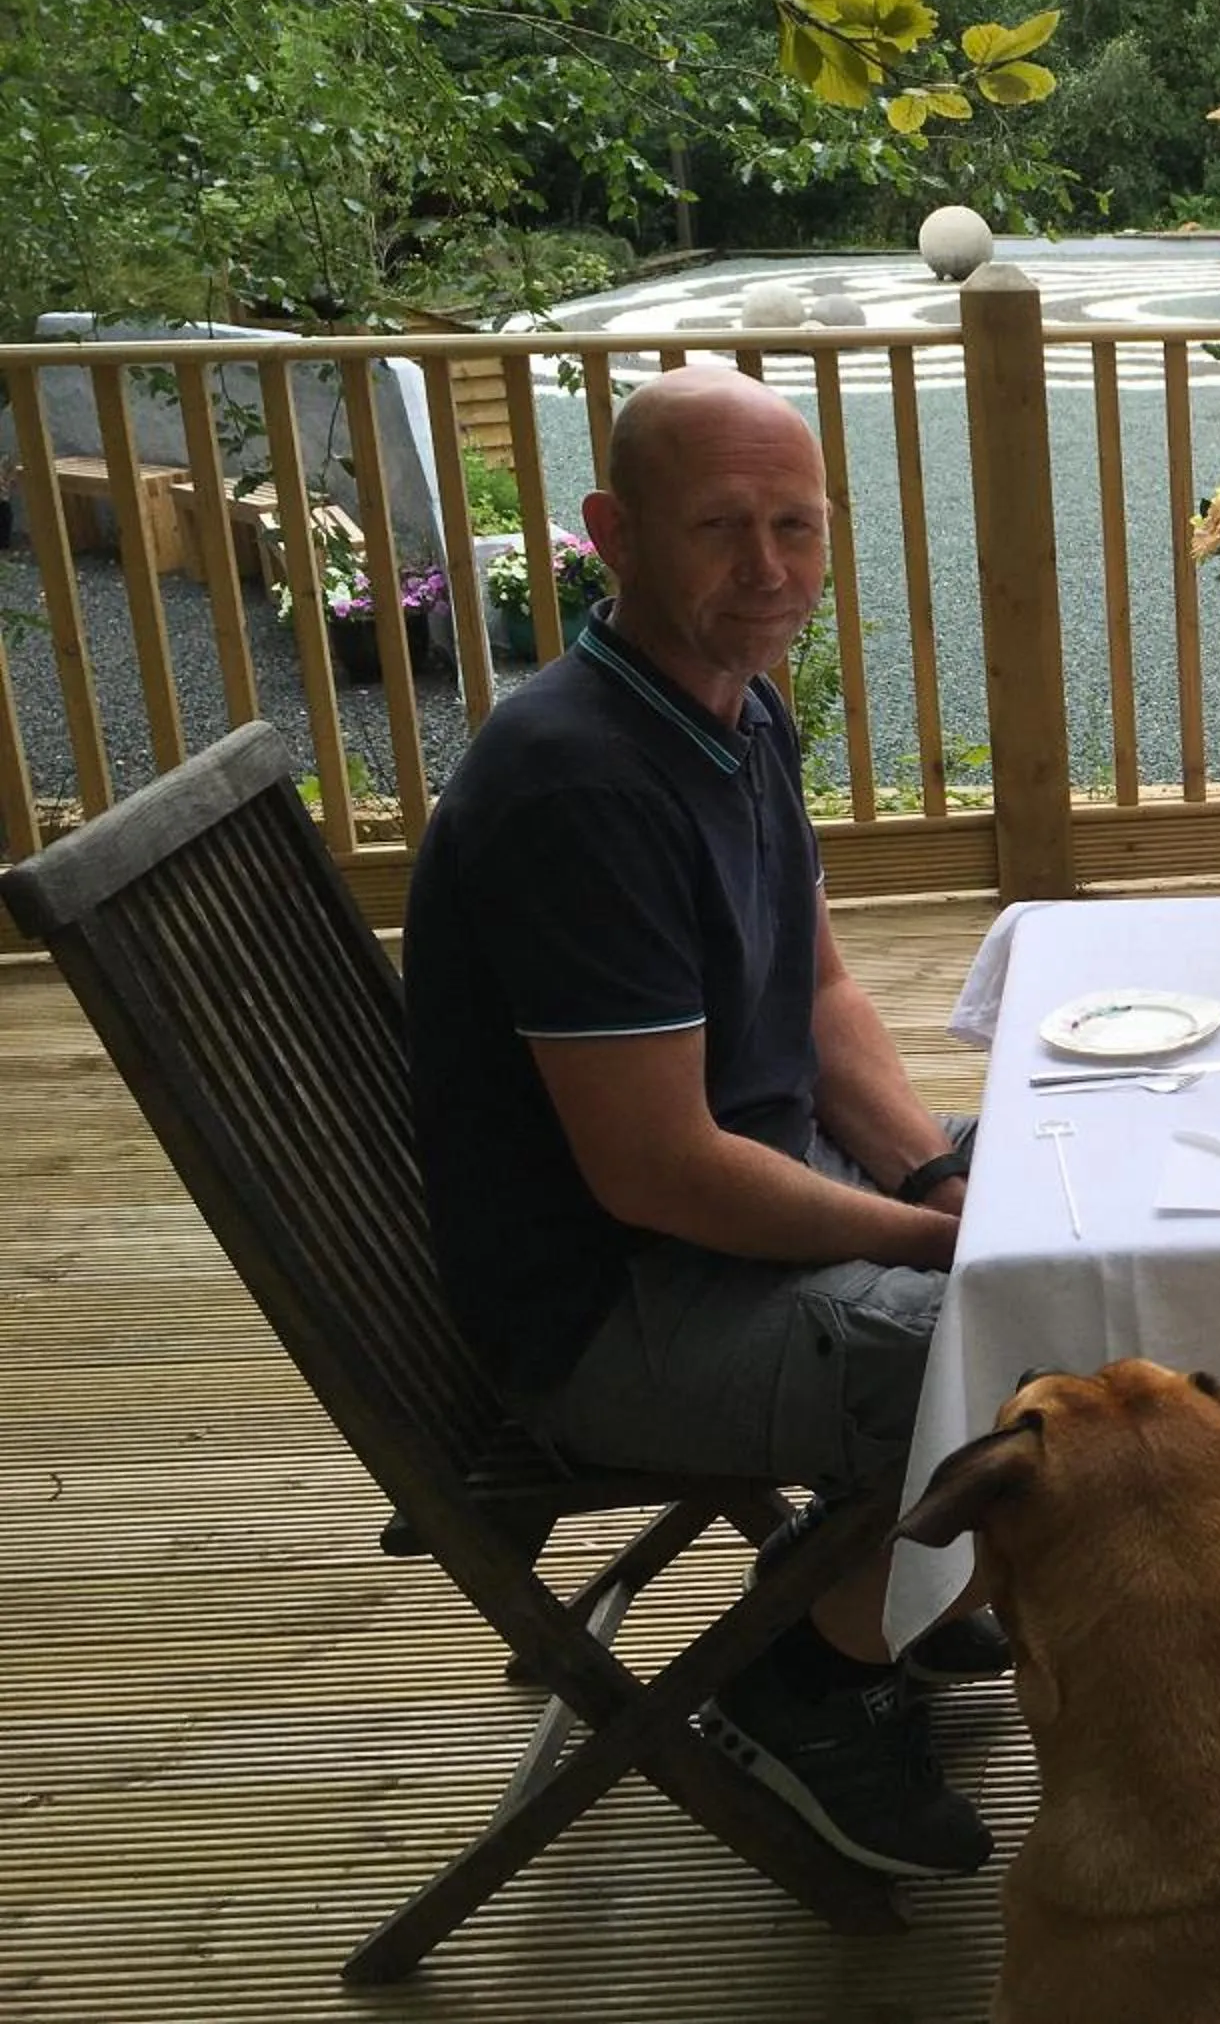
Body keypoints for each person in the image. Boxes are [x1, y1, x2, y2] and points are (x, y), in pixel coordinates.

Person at [403, 364, 1000, 1880]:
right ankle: (805, 1675)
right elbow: (659, 1172)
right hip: (615, 1308)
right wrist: (939, 1242)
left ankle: (899, 1563)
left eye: (795, 525)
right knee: (1033, 1350)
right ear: (612, 531)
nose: (769, 568)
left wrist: (938, 1171)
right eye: (721, 526)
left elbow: (818, 990)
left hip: (733, 1209)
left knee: (1079, 1192)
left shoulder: (736, 710)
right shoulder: (578, 785)